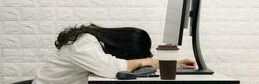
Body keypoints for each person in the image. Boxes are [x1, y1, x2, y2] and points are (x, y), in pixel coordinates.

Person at [32, 24, 196, 84]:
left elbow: (146, 60)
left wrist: (175, 63)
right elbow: (112, 69)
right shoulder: (84, 43)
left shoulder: (94, 43)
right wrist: (142, 62)